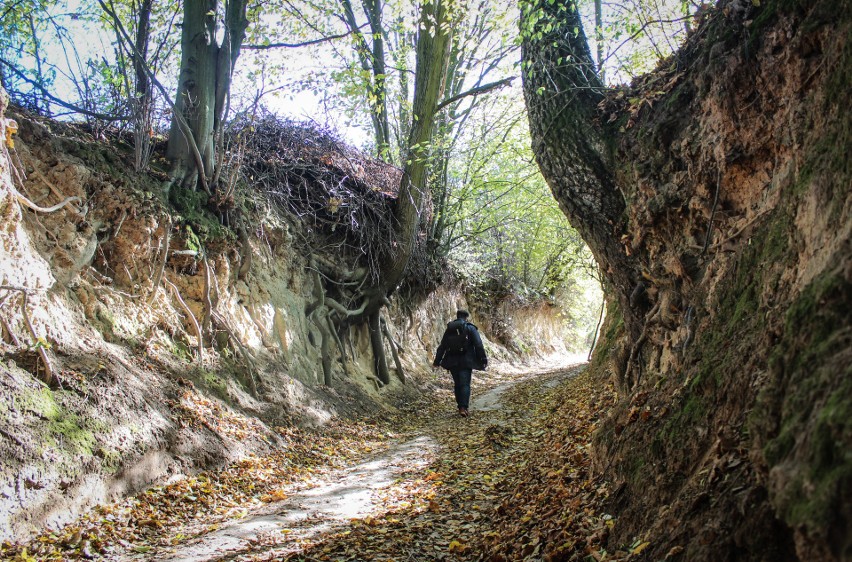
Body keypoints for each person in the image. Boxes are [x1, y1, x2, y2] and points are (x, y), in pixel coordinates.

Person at [432, 309, 487, 417]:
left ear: (457, 316)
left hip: (452, 361)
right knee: (465, 384)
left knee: (458, 384)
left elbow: (442, 346)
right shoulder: (470, 327)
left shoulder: (450, 329)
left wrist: (437, 361)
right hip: (466, 361)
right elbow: (478, 344)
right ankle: (463, 407)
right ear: (466, 317)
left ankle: (460, 407)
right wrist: (483, 359)